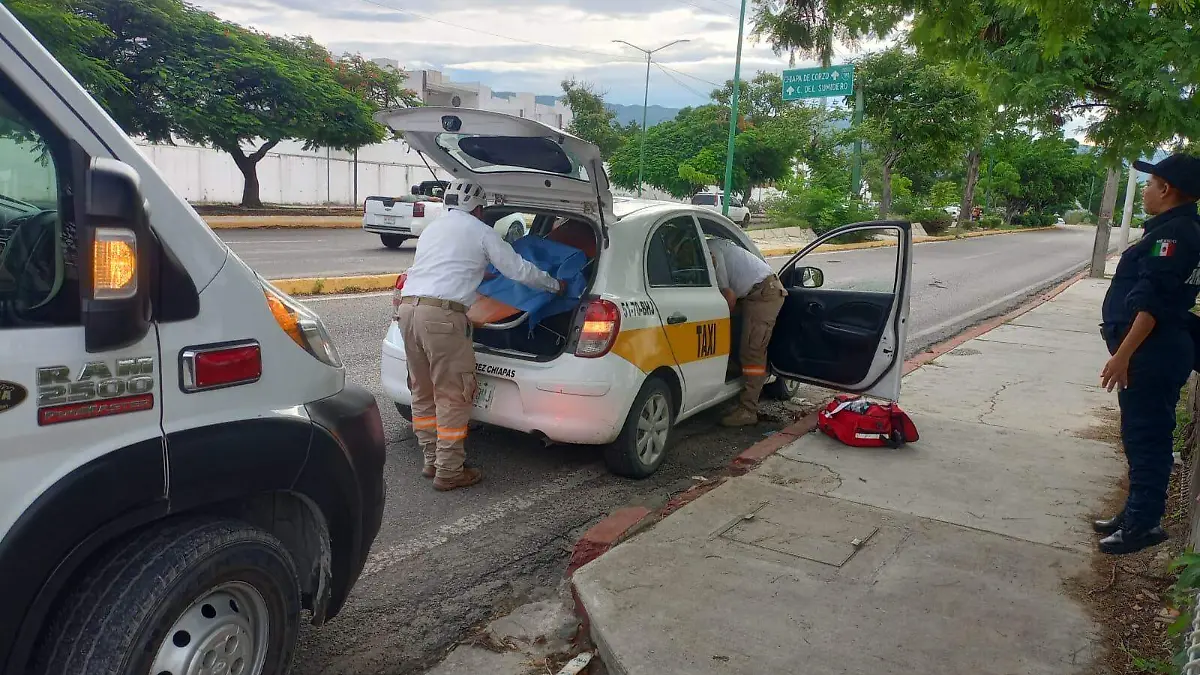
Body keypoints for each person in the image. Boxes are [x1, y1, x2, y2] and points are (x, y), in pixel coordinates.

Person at [397, 182, 565, 491]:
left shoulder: (435, 228)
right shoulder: (481, 231)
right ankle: (449, 471)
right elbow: (519, 271)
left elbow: (444, 266)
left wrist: (481, 272)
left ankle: (432, 460)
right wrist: (554, 285)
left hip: (408, 311)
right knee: (453, 394)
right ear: (478, 208)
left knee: (422, 390)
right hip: (442, 318)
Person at [1094, 152, 1200, 554]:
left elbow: (1152, 304)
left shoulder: (1172, 236)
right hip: (1158, 349)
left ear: (1167, 189)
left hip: (1151, 352)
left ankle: (1143, 524)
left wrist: (1123, 355)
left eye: (1150, 184)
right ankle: (1136, 513)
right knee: (1140, 435)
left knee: (1147, 437)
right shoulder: (1183, 229)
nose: (1146, 192)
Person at [708, 236, 787, 427]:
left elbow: (729, 297)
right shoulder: (712, 245)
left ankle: (748, 410)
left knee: (752, 351)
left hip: (763, 294)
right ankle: (734, 369)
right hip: (752, 292)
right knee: (740, 339)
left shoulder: (711, 254)